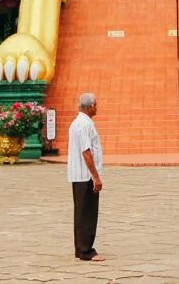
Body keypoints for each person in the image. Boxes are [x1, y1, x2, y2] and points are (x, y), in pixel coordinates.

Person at [67, 92, 104, 262]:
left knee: (81, 212)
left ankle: (80, 247)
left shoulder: (79, 123)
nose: (96, 107)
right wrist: (95, 176)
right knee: (88, 213)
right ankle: (86, 249)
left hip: (79, 174)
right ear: (90, 107)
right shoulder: (83, 125)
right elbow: (86, 152)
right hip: (84, 175)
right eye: (95, 104)